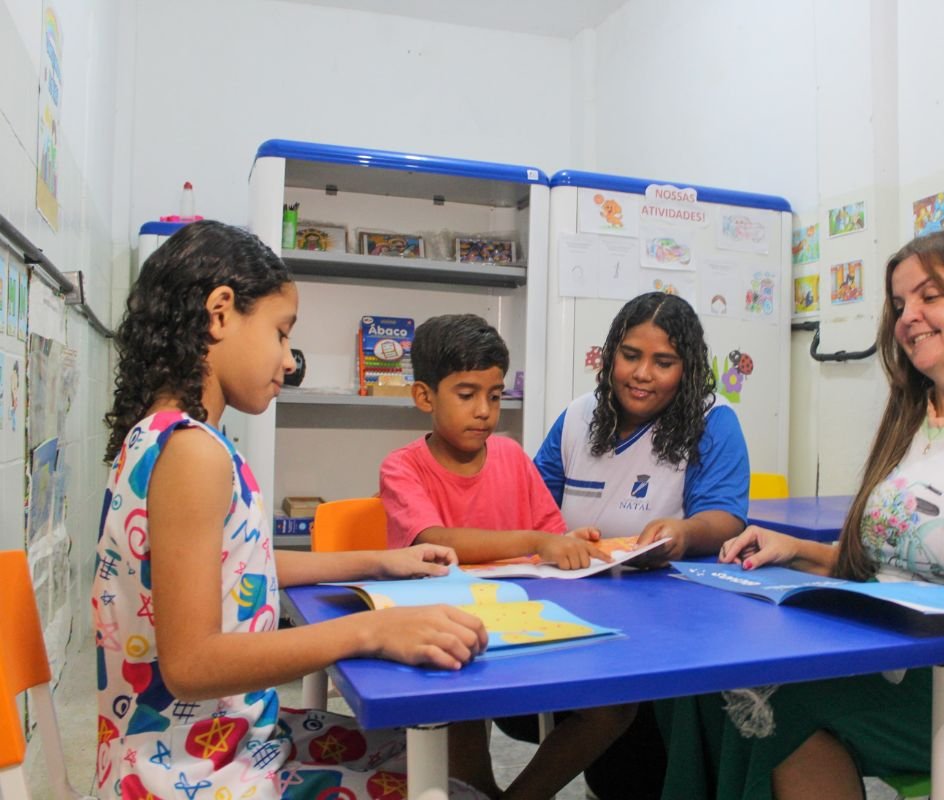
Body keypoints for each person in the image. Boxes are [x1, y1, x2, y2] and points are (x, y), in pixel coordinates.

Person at [659, 228, 944, 800]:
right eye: (900, 304)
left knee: (777, 693)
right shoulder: (914, 417)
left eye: (930, 296)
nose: (908, 317)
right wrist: (802, 551)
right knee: (713, 677)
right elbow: (896, 577)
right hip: (912, 658)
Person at [94, 220, 489, 799]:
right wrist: (372, 629)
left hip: (205, 746)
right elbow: (193, 664)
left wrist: (379, 563)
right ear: (220, 313)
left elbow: (239, 564)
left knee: (430, 754)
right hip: (191, 773)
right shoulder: (192, 454)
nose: (289, 360)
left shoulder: (160, 436)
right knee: (449, 787)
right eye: (281, 334)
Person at [378, 313, 630, 800]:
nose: (484, 411)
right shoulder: (403, 467)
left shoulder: (512, 456)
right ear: (425, 397)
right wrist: (537, 542)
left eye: (494, 396)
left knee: (616, 706)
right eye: (466, 394)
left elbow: (550, 534)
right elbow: (434, 540)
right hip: (448, 637)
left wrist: (571, 541)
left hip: (524, 625)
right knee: (464, 729)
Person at [515, 291, 751, 800]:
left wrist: (683, 533)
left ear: (688, 369)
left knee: (637, 765)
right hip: (570, 603)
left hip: (665, 615)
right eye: (630, 356)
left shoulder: (713, 419)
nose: (642, 374)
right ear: (610, 356)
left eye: (663, 362)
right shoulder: (578, 417)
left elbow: (726, 517)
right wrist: (551, 539)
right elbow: (530, 503)